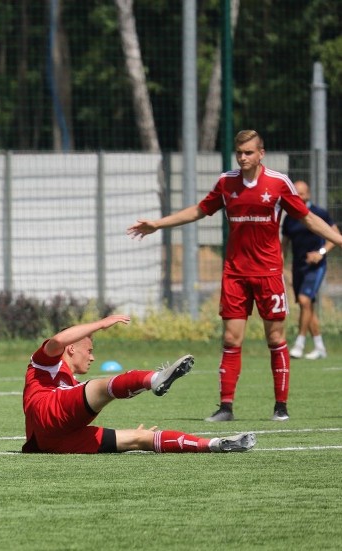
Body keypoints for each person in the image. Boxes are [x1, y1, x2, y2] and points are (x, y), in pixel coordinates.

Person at [127, 129, 342, 423]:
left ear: (260, 154)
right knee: (230, 338)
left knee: (275, 337)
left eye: (248, 153)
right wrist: (158, 224)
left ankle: (281, 407)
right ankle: (225, 407)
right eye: (239, 153)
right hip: (235, 274)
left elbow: (307, 217)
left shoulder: (278, 183)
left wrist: (338, 240)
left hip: (268, 273)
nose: (242, 158)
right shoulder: (226, 182)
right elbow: (199, 211)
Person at [21, 314, 256, 454]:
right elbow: (59, 340)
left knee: (138, 438)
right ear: (71, 349)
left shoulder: (70, 383)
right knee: (101, 387)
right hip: (47, 412)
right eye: (89, 351)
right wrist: (102, 323)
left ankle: (215, 444)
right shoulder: (43, 363)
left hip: (54, 441)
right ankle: (155, 379)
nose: (92, 357)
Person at [282, 180, 337, 360]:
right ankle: (320, 347)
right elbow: (284, 245)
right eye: (295, 194)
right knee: (307, 306)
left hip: (316, 266)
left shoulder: (319, 213)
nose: (299, 197)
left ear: (309, 194)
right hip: (298, 266)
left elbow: (335, 237)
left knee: (305, 301)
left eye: (302, 194)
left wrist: (321, 253)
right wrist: (280, 266)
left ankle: (299, 343)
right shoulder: (289, 218)